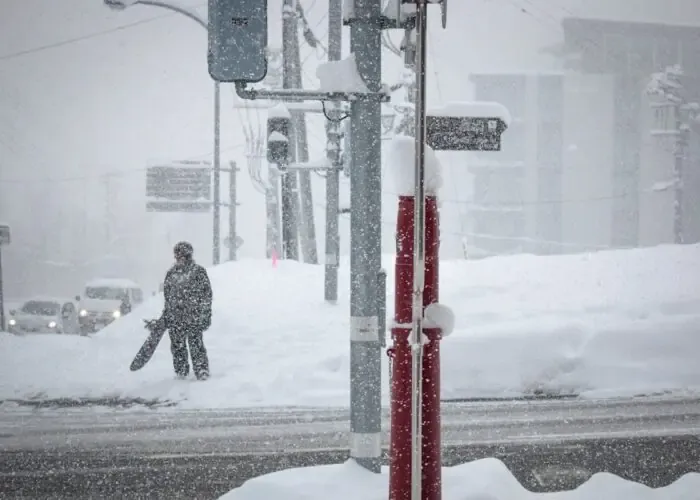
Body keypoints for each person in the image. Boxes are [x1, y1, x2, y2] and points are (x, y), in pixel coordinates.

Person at [160, 241, 213, 380]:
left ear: (189, 255)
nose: (180, 257)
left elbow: (207, 294)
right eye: (178, 255)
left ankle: (201, 370)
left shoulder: (198, 272)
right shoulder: (171, 274)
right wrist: (167, 313)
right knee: (177, 346)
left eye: (183, 255)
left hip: (193, 317)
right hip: (176, 318)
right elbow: (168, 296)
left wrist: (205, 314)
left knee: (196, 345)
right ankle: (181, 371)